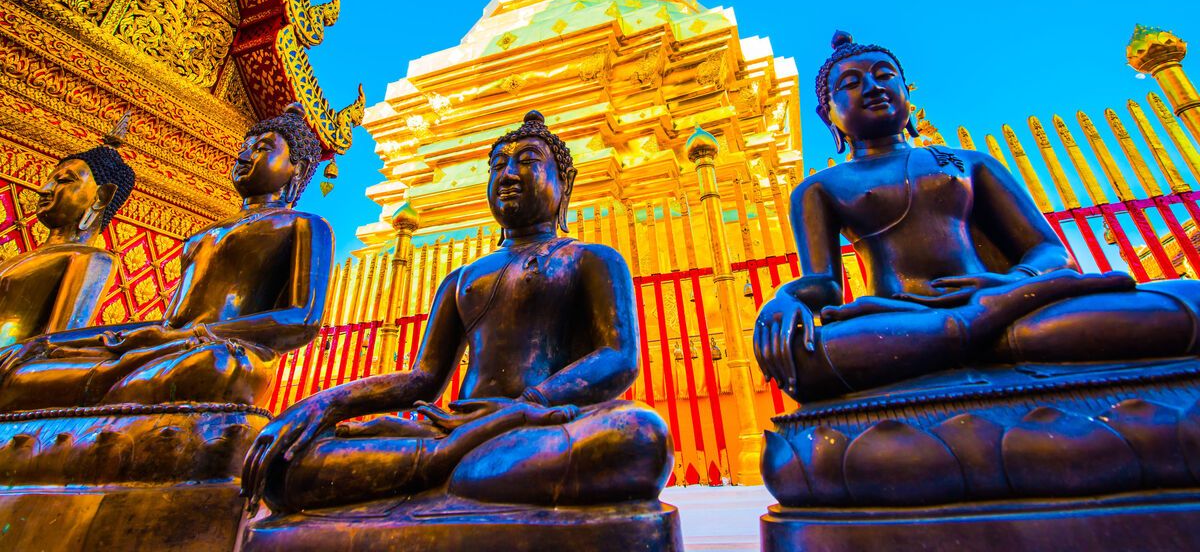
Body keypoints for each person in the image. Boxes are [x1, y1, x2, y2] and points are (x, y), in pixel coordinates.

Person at [241, 110, 671, 513]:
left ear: (566, 183)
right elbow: (422, 380)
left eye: (527, 160)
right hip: (455, 428)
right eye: (498, 164)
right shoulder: (463, 278)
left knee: (640, 436)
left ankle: (447, 467)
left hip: (539, 425)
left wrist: (523, 406)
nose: (509, 173)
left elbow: (619, 357)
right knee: (284, 469)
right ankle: (455, 464)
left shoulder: (590, 259)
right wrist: (324, 405)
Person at [754, 31, 1199, 402]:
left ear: (908, 90)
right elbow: (825, 285)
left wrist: (1008, 285)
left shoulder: (969, 163)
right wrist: (784, 299)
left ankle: (973, 330)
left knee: (1188, 301)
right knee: (806, 358)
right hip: (902, 318)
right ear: (827, 113)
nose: (872, 86)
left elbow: (1048, 252)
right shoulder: (819, 188)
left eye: (884, 75)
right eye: (850, 83)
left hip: (1005, 308)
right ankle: (975, 331)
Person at [0, 103, 332, 410]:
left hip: (216, 353)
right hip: (166, 346)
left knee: (204, 364)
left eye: (261, 149)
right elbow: (170, 321)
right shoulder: (203, 236)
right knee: (25, 366)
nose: (244, 156)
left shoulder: (303, 225)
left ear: (297, 171)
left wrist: (192, 336)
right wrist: (52, 342)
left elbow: (302, 320)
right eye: (245, 146)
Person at [0, 114, 135, 348]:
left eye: (63, 181)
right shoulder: (20, 259)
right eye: (50, 180)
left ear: (101, 198)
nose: (44, 189)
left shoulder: (90, 259)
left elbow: (55, 345)